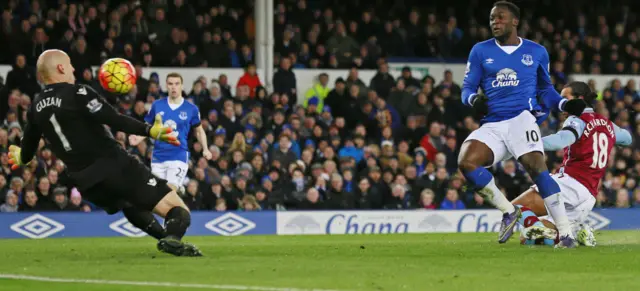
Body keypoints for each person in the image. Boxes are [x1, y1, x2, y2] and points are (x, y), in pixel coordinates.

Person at [8, 49, 202, 257]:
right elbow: (113, 118)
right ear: (61, 68)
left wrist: (21, 156)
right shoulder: (78, 93)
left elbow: (27, 151)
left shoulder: (36, 106)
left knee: (128, 204)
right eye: (70, 64)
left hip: (86, 182)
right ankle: (172, 238)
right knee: (178, 210)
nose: (73, 68)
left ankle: (165, 239)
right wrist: (148, 130)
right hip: (114, 165)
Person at [458, 1, 587, 247]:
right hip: (493, 124)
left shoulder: (536, 52)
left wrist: (563, 105)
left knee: (536, 168)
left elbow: (545, 90)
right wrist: (474, 100)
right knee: (467, 163)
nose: (495, 22)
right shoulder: (480, 51)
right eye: (492, 18)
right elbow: (466, 88)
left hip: (521, 118)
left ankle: (566, 233)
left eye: (500, 17)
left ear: (515, 21)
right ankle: (509, 211)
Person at [511, 81, 632, 246]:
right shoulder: (606, 123)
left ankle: (573, 231)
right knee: (527, 239)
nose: (562, 105)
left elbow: (561, 140)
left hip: (569, 184)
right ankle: (577, 231)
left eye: (565, 98)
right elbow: (627, 138)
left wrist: (528, 142)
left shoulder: (577, 119)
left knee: (512, 208)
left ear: (579, 99)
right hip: (589, 195)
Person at [129, 73, 211, 194]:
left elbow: (199, 131)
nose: (173, 87)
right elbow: (147, 127)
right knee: (157, 195)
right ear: (166, 86)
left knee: (169, 191)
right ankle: (179, 192)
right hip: (158, 156)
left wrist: (205, 148)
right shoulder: (157, 105)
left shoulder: (191, 109)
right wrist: (138, 138)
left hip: (179, 155)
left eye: (177, 84)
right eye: (170, 84)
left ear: (181, 86)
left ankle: (176, 188)